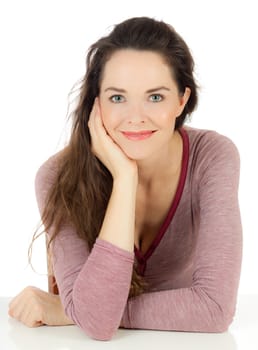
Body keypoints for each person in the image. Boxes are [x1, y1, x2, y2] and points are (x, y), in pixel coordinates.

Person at [8, 16, 242, 341]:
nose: (135, 117)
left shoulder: (212, 156)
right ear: (97, 102)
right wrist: (124, 177)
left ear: (182, 100)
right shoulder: (57, 176)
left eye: (155, 97)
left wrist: (70, 310)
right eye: (118, 97)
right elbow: (95, 326)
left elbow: (215, 309)